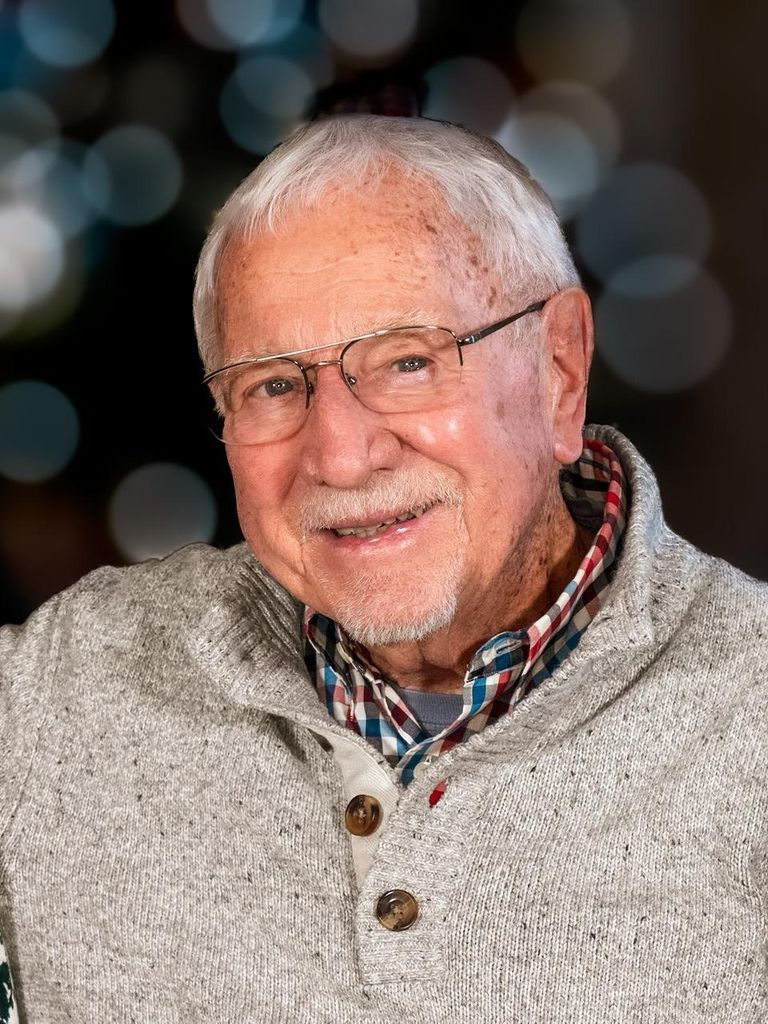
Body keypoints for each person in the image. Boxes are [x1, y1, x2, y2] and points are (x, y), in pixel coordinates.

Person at [1, 114, 766, 1023]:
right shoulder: (64, 687)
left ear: (560, 369)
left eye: (408, 361)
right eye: (273, 385)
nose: (340, 455)